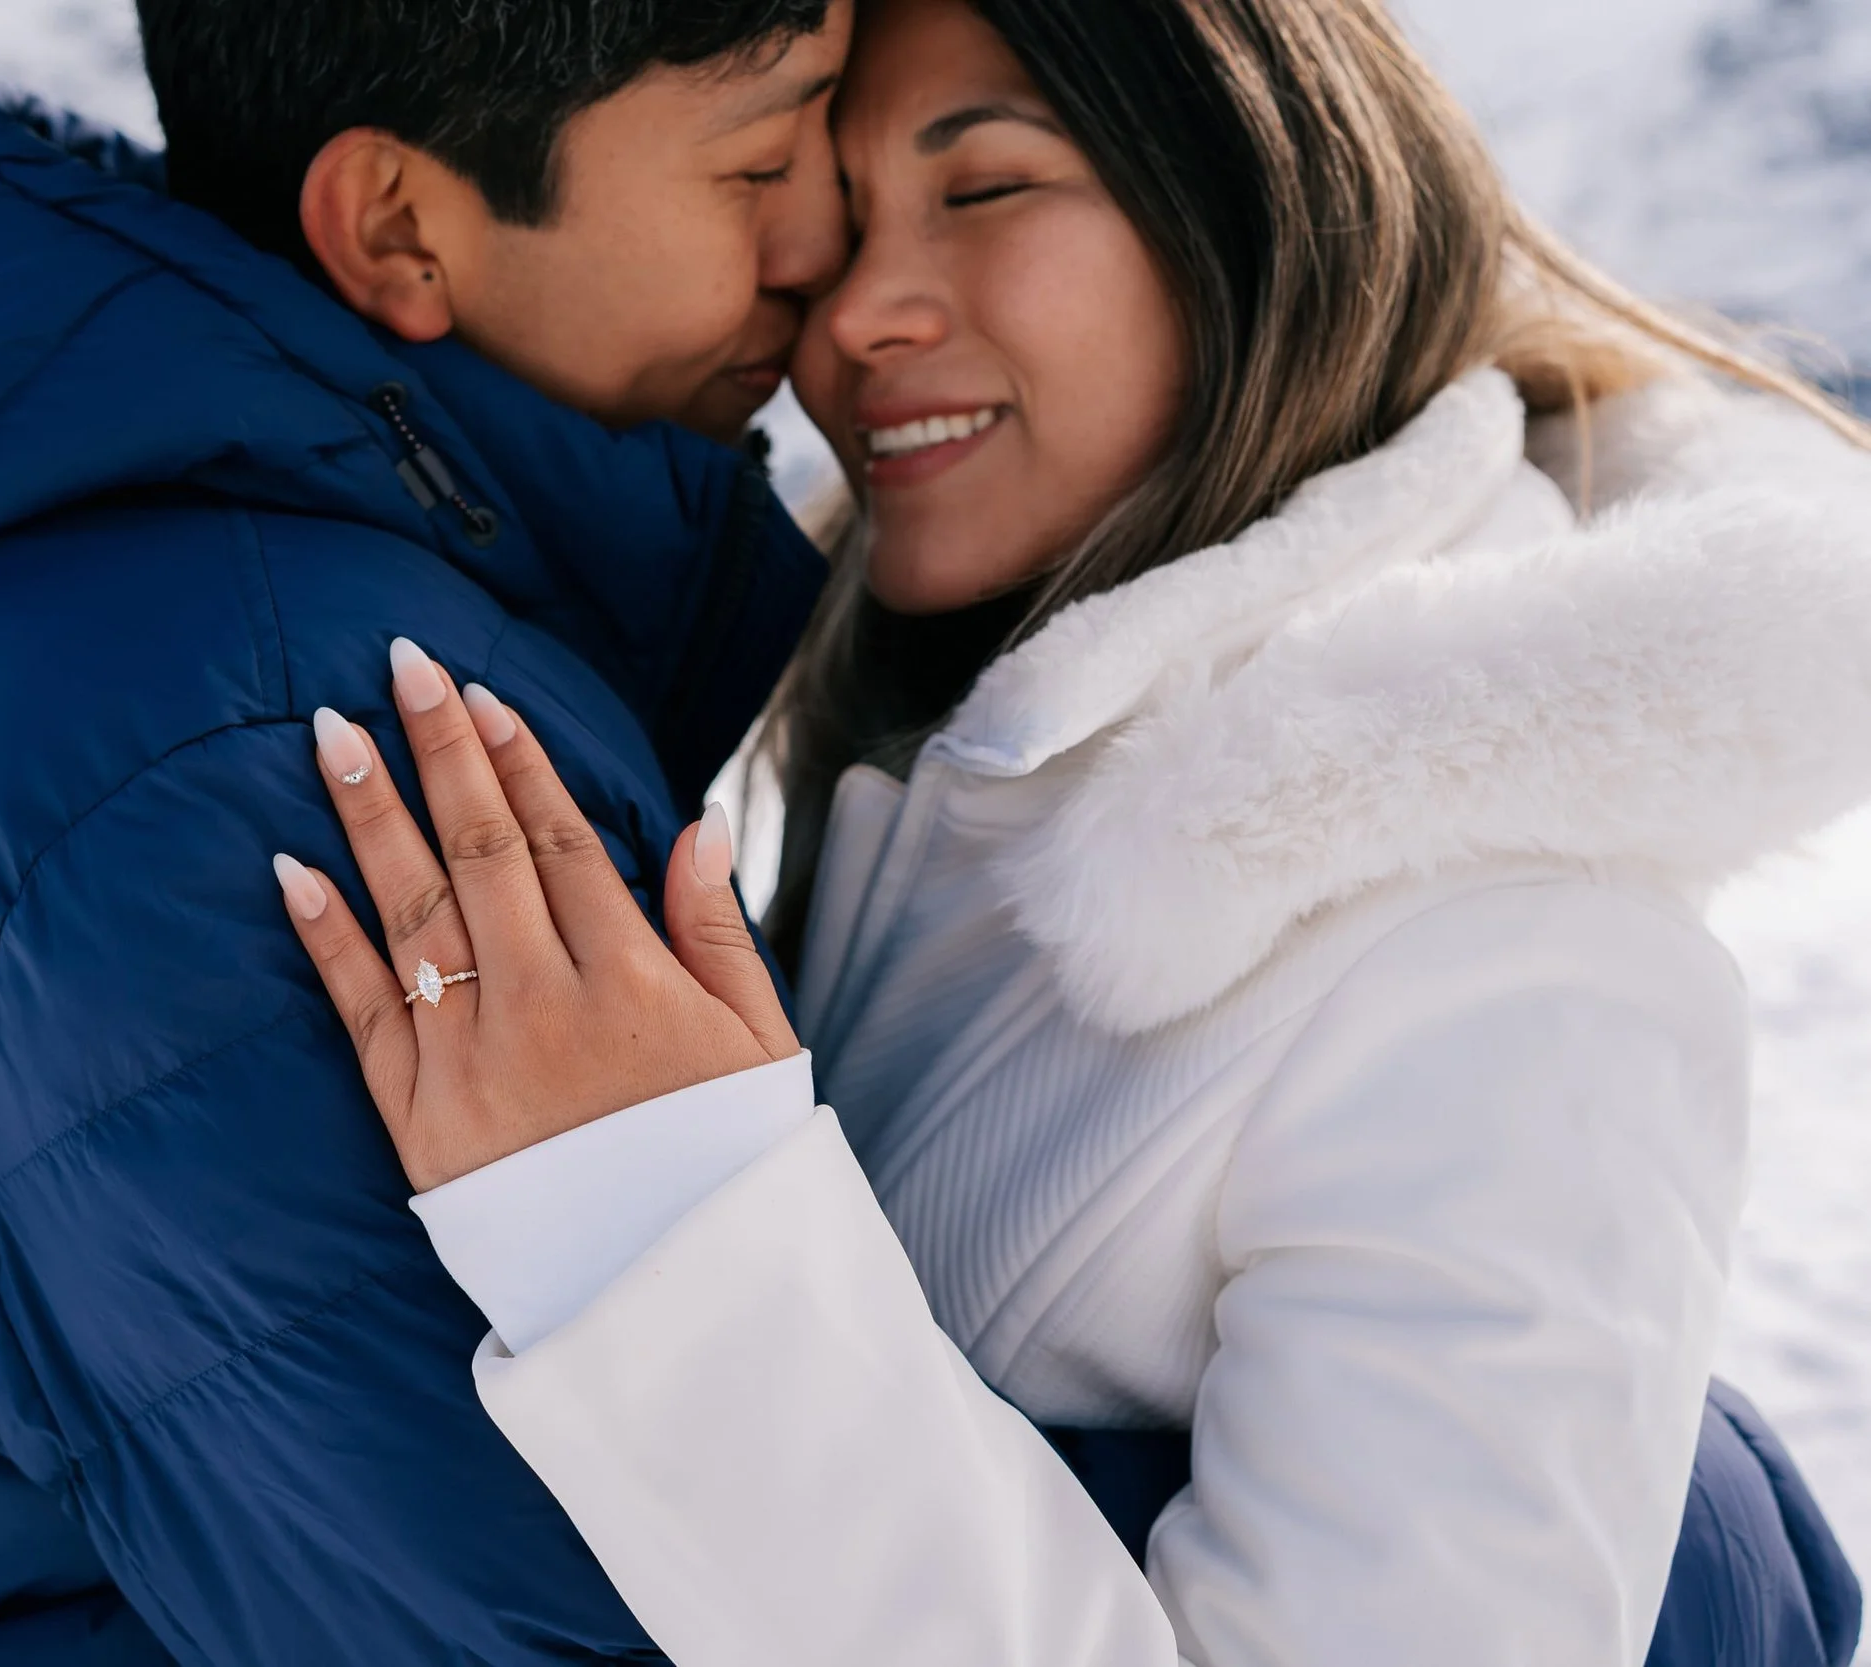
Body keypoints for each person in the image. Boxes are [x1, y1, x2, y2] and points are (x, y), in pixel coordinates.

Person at [273, 0, 1871, 1662]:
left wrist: (659, 1237)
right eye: (838, 234)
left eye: (984, 192)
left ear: (1263, 198)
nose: (853, 325)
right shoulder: (941, 771)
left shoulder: (1510, 963)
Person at [0, 1, 854, 1660]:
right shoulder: (266, 744)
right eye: (766, 159)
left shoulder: (196, 610)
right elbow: (591, 1616)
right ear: (399, 227)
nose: (828, 235)